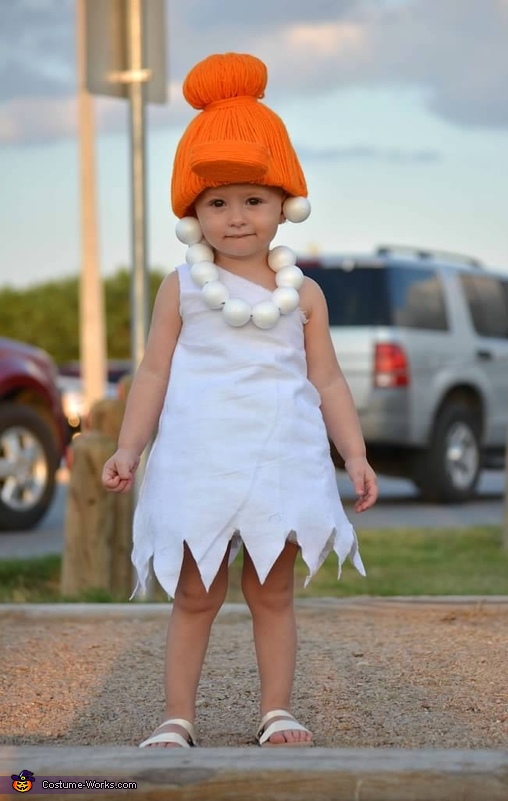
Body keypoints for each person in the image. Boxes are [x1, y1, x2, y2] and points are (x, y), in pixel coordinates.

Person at [102, 52, 378, 749]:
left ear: (286, 203)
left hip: (278, 459)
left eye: (253, 200)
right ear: (193, 211)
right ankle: (177, 715)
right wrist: (129, 445)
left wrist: (354, 452)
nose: (235, 218)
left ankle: (276, 708)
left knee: (272, 591)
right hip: (200, 459)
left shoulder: (303, 294)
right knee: (195, 593)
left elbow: (329, 382)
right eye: (216, 202)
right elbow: (155, 371)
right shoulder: (184, 287)